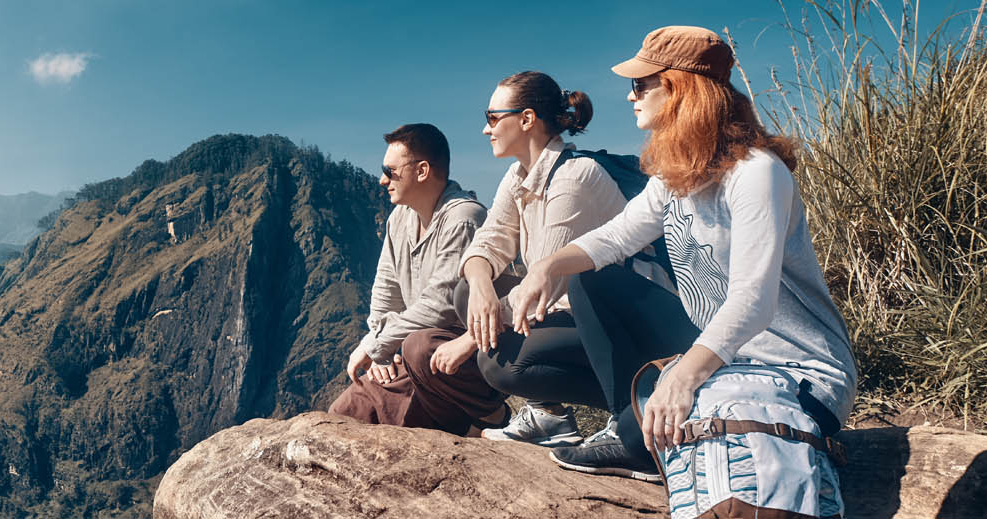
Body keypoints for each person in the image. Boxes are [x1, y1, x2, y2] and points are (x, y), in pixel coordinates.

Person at [511, 26, 858, 481]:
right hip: (724, 354)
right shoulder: (675, 176)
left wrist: (684, 374)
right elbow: (618, 236)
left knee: (649, 434)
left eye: (640, 84)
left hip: (795, 371)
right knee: (590, 277)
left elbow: (753, 299)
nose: (630, 96)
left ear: (676, 88)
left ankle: (638, 440)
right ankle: (626, 425)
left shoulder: (757, 174)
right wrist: (546, 266)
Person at [457, 71, 631, 447]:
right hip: (566, 313)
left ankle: (635, 403)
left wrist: (467, 341)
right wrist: (481, 285)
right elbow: (488, 240)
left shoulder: (574, 178)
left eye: (492, 118)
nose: (486, 130)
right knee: (465, 294)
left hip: (617, 324)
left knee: (499, 363)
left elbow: (545, 291)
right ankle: (549, 416)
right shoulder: (518, 174)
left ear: (526, 119)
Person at [326, 123, 495, 436]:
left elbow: (440, 307)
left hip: (459, 355)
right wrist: (380, 348)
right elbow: (385, 292)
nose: (382, 180)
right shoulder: (399, 219)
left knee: (420, 351)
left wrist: (378, 346)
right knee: (345, 414)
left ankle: (485, 415)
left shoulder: (464, 218)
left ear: (422, 170)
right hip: (409, 351)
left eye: (390, 171)